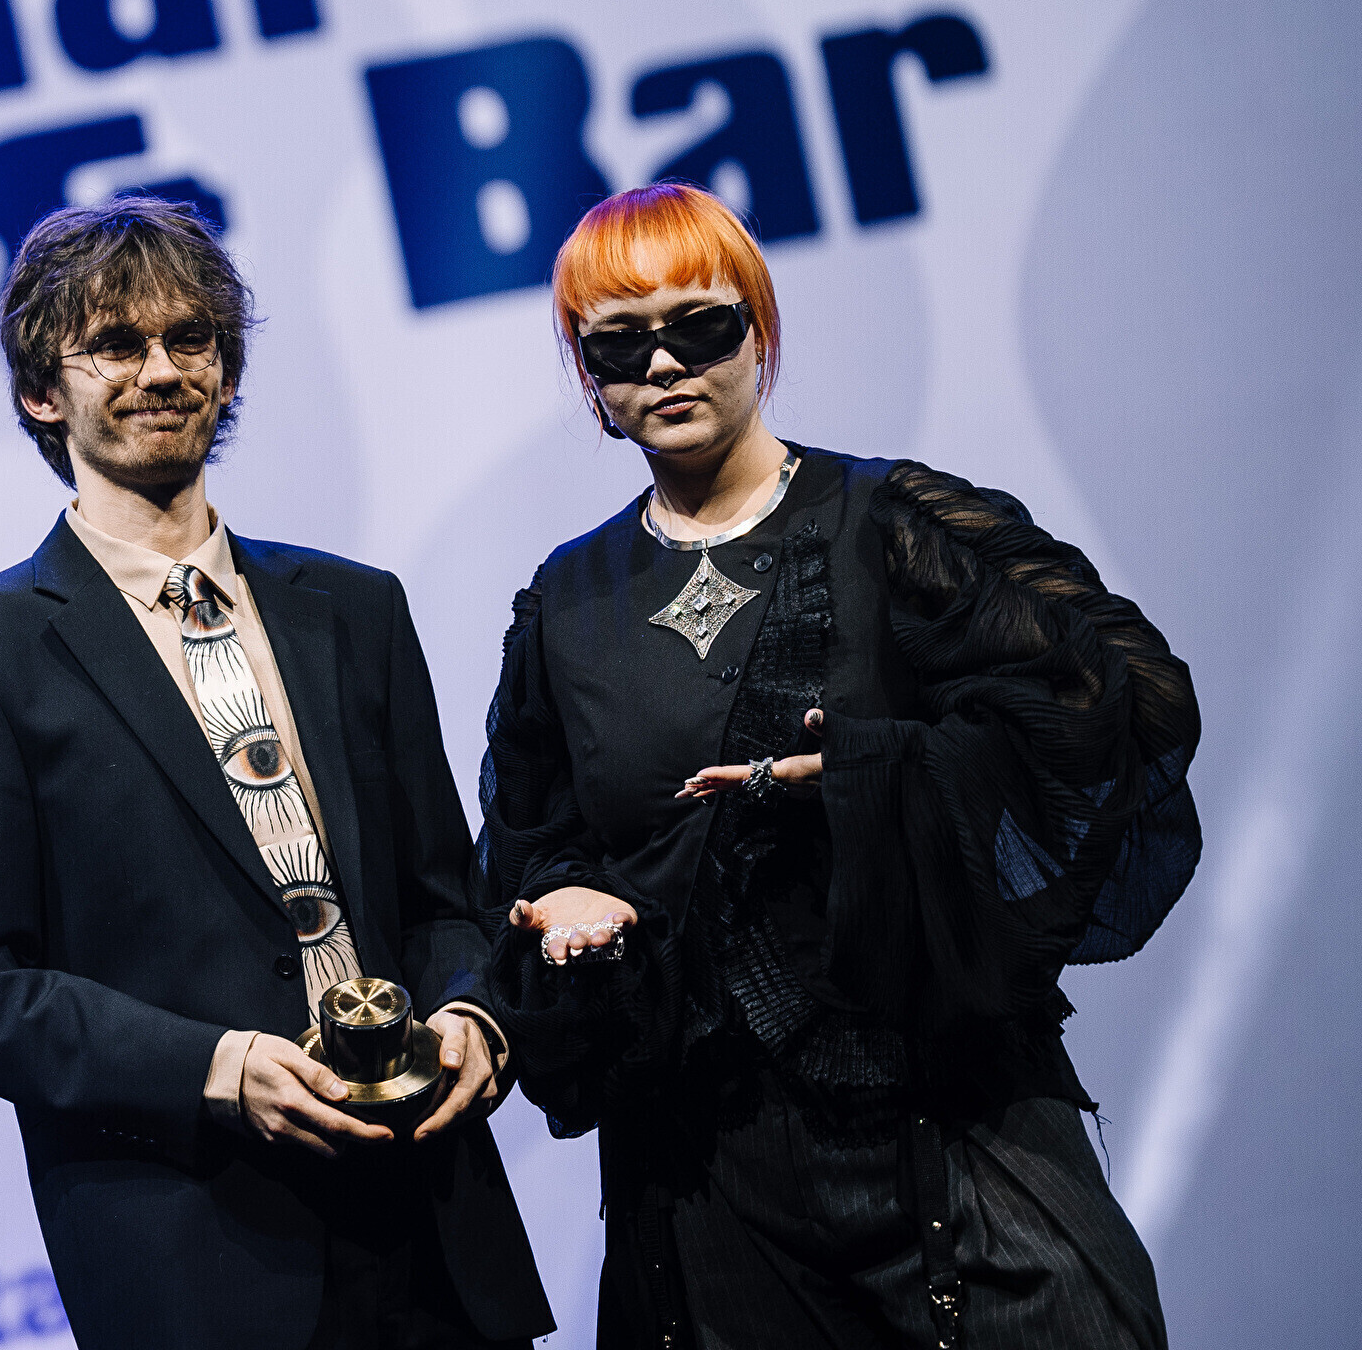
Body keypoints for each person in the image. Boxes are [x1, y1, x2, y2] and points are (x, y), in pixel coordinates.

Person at [476, 181, 1200, 1348]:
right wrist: (565, 897)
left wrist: (864, 773)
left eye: (700, 325)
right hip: (712, 1183)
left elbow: (1120, 702)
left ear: (759, 329)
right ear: (587, 375)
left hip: (944, 1131)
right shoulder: (565, 603)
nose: (662, 363)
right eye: (619, 344)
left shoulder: (893, 523)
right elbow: (528, 839)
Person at [0, 197, 551, 1349]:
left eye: (189, 337)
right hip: (201, 1258)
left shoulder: (354, 605)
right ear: (42, 390)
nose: (161, 369)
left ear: (228, 370)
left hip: (434, 1225)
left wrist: (473, 1014)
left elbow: (444, 898)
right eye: (115, 343)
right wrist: (217, 1065)